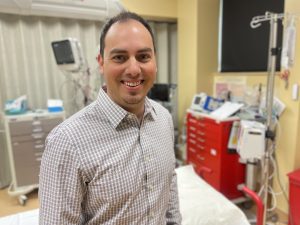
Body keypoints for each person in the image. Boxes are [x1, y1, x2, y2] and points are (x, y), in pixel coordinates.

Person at [39, 11, 182, 225]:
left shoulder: (163, 118)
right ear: (101, 62)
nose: (134, 69)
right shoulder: (67, 142)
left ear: (155, 61)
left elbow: (169, 185)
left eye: (143, 56)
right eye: (119, 57)